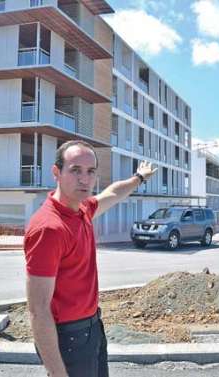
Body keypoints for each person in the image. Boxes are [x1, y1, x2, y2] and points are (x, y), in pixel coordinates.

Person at [23, 140, 156, 377]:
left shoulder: (82, 208)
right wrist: (58, 373)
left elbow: (113, 193)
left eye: (90, 171)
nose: (84, 179)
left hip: (92, 328)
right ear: (57, 172)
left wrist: (139, 177)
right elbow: (38, 310)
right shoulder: (49, 228)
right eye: (75, 170)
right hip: (68, 339)